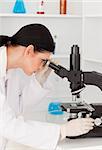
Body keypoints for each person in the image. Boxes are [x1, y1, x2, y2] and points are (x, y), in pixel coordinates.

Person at [0, 24, 94, 150]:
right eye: (43, 60)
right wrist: (61, 131)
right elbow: (7, 125)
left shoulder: (12, 68)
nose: (42, 66)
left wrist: (40, 79)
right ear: (29, 51)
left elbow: (16, 108)